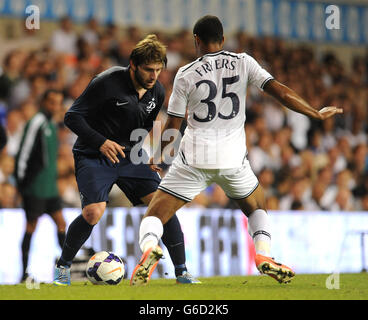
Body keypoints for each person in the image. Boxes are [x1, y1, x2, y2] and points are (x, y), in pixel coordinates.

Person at [130, 15, 343, 286]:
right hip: (233, 159)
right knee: (257, 207)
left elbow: (174, 124)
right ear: (223, 40)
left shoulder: (185, 73)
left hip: (194, 159)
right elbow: (279, 91)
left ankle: (150, 248)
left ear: (196, 40)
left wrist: (158, 157)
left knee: (155, 215)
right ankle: (264, 254)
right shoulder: (244, 62)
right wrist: (314, 112)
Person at [53, 35, 199, 286]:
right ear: (133, 64)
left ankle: (182, 272)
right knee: (93, 212)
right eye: (148, 69)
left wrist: (150, 157)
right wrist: (101, 141)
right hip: (93, 153)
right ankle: (63, 266)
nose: (154, 76)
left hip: (131, 154)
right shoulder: (106, 82)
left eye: (158, 70)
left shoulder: (158, 91)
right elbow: (72, 117)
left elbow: (142, 126)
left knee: (162, 205)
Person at [15, 89, 67, 282]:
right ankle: (24, 274)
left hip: (50, 187)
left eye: (58, 102)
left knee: (61, 224)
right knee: (31, 226)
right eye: (52, 102)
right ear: (44, 102)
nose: (55, 106)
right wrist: (22, 184)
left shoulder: (51, 124)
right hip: (35, 186)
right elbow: (24, 153)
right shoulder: (36, 122)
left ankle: (64, 274)